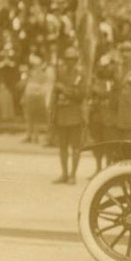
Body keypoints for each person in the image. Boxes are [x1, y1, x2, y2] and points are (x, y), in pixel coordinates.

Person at [49, 47, 86, 184]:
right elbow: (54, 92)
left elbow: (81, 94)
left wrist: (63, 89)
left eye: (72, 59)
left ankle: (73, 175)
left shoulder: (80, 74)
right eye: (67, 59)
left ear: (76, 60)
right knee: (62, 146)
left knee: (75, 147)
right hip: (61, 113)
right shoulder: (60, 73)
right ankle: (64, 173)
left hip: (75, 114)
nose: (69, 62)